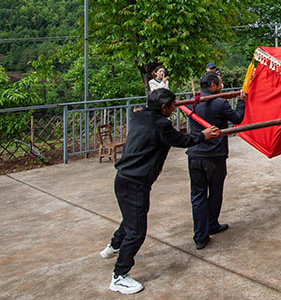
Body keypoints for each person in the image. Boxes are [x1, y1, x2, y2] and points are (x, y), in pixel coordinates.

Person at [100, 88, 220, 294]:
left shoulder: (139, 115)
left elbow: (144, 113)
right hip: (136, 183)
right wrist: (203, 135)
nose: (176, 107)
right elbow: (183, 141)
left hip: (123, 179)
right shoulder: (161, 125)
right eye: (173, 105)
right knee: (137, 231)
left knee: (131, 218)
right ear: (164, 107)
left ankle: (114, 245)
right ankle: (119, 276)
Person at [186, 71, 246, 250]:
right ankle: (212, 224)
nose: (221, 86)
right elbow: (237, 119)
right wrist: (241, 101)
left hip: (195, 155)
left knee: (197, 196)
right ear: (213, 85)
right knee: (215, 192)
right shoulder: (220, 103)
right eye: (219, 83)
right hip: (214, 156)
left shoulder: (191, 102)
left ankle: (200, 236)